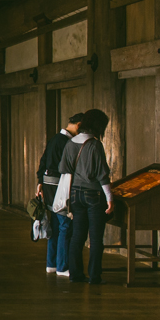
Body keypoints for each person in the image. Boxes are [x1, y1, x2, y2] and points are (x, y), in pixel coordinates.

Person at [59, 109, 114, 284]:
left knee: (77, 235)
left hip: (75, 194)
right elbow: (102, 176)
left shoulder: (70, 143)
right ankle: (94, 276)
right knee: (96, 237)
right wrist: (110, 199)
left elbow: (63, 169)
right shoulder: (95, 145)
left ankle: (75, 274)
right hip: (94, 195)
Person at [36, 113, 82, 277]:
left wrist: (40, 180)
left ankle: (52, 264)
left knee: (55, 224)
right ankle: (62, 266)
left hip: (48, 185)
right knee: (64, 225)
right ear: (79, 124)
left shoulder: (55, 139)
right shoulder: (68, 143)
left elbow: (43, 161)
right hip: (60, 185)